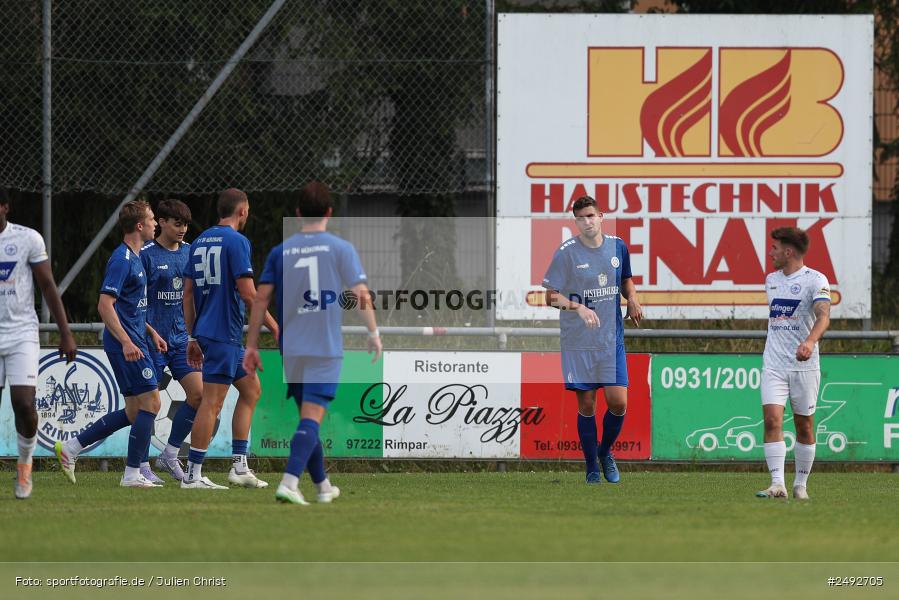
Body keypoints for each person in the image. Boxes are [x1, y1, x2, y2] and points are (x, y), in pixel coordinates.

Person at [243, 181, 382, 505]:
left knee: (309, 417)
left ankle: (322, 487)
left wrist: (251, 345)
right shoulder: (339, 248)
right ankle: (290, 483)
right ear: (329, 213)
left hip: (291, 347)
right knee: (311, 418)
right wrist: (373, 333)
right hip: (324, 345)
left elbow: (261, 299)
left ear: (297, 213)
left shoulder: (282, 251)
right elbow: (361, 295)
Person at [55, 200, 166, 488]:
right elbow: (105, 306)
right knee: (152, 402)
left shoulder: (136, 258)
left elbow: (132, 307)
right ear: (139, 226)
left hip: (136, 340)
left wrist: (151, 331)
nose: (156, 224)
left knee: (133, 411)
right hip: (125, 345)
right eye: (153, 219)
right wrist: (128, 341)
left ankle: (72, 448)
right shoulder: (122, 260)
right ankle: (131, 474)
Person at [181, 188, 279, 490]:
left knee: (251, 390)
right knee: (212, 402)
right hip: (223, 332)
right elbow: (249, 293)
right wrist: (276, 327)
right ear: (243, 211)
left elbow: (187, 293)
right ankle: (192, 475)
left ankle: (239, 466)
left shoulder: (198, 241)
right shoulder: (237, 241)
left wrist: (192, 336)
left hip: (215, 333)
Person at [542, 195, 643, 484]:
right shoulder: (566, 253)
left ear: (602, 217)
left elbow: (625, 280)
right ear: (576, 222)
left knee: (618, 402)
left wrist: (633, 299)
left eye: (591, 216)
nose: (586, 222)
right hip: (578, 342)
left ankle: (604, 452)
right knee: (586, 406)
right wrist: (579, 307)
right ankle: (591, 468)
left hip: (610, 340)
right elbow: (551, 297)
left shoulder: (617, 246)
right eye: (580, 218)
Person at [0, 193, 77, 499]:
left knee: (23, 402)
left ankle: (24, 462)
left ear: (5, 206)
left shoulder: (27, 238)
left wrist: (66, 332)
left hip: (21, 333)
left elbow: (46, 284)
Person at [756, 227, 831, 500]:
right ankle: (778, 484)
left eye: (775, 248)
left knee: (804, 426)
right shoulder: (771, 280)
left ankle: (801, 484)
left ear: (788, 252)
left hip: (805, 366)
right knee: (772, 419)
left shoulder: (816, 280)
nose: (770, 252)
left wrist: (810, 342)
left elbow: (824, 316)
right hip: (774, 364)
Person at [137, 199, 204, 483]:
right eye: (177, 223)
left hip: (180, 341)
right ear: (161, 221)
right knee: (147, 405)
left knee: (199, 395)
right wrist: (148, 331)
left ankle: (170, 454)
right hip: (151, 341)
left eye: (186, 224)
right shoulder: (146, 254)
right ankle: (139, 465)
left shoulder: (190, 253)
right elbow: (134, 302)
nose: (182, 229)